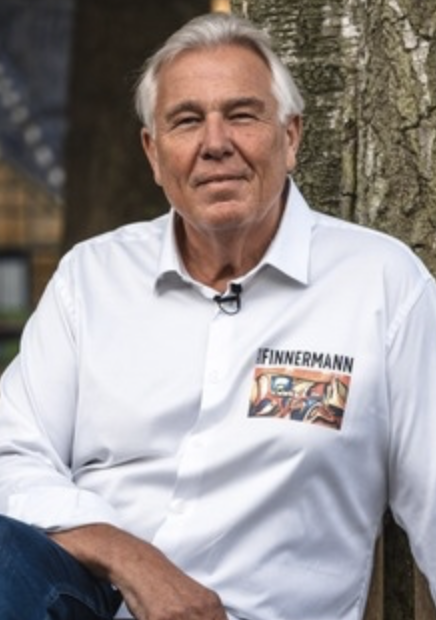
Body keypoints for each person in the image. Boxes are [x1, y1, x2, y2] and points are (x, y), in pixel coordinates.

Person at [0, 10, 435, 620]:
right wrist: (130, 559)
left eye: (242, 114)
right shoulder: (91, 278)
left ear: (291, 137)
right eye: (186, 121)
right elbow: (10, 453)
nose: (215, 143)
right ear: (154, 154)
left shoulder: (381, 285)